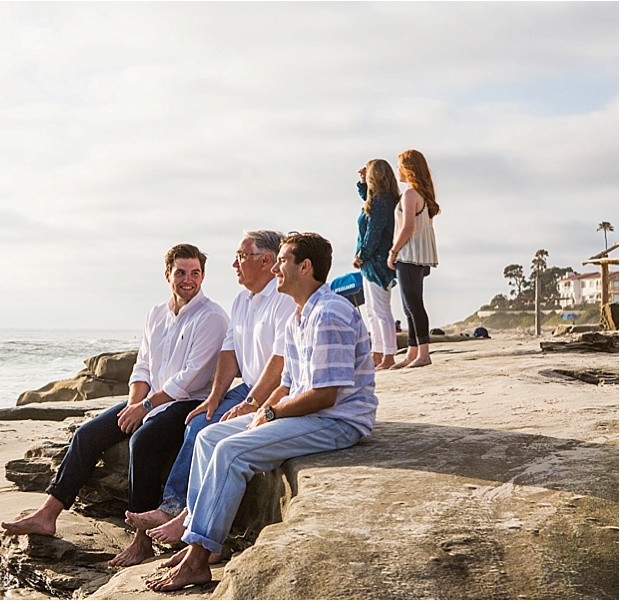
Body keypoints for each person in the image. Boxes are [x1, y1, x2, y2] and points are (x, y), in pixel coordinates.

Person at [146, 232, 378, 592]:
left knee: (232, 451)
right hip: (304, 412)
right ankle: (199, 544)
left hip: (338, 421)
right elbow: (286, 382)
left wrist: (271, 415)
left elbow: (326, 395)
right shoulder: (299, 316)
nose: (276, 268)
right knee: (209, 437)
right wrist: (259, 408)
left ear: (305, 267)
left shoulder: (329, 313)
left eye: (282, 261)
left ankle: (199, 557)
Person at [1, 243, 229, 567]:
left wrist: (145, 407)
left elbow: (189, 379)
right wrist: (135, 402)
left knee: (143, 441)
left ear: (203, 275)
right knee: (87, 434)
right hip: (149, 399)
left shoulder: (213, 317)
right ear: (168, 274)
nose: (188, 280)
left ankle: (141, 541)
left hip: (186, 402)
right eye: (181, 273)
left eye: (195, 273)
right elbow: (144, 366)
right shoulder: (156, 314)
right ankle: (47, 514)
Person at [125, 230, 296, 546]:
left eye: (241, 256)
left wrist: (252, 402)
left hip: (277, 390)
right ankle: (175, 510)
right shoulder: (243, 300)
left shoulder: (282, 299)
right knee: (200, 420)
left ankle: (179, 512)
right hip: (248, 386)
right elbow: (228, 353)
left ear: (267, 261)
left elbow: (280, 361)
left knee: (205, 434)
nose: (234, 264)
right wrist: (215, 399)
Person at [387, 149, 440, 369]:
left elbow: (407, 227)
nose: (397, 170)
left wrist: (393, 251)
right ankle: (412, 352)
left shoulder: (410, 195)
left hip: (410, 256)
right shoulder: (421, 194)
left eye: (400, 166)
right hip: (418, 257)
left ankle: (423, 353)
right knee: (410, 306)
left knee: (413, 304)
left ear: (409, 170)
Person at [355, 159, 399, 370]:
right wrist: (362, 182)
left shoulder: (383, 201)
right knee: (372, 310)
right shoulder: (381, 199)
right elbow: (368, 200)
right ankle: (378, 352)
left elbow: (375, 231)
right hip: (372, 262)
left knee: (381, 310)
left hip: (377, 261)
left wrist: (362, 254)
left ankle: (389, 354)